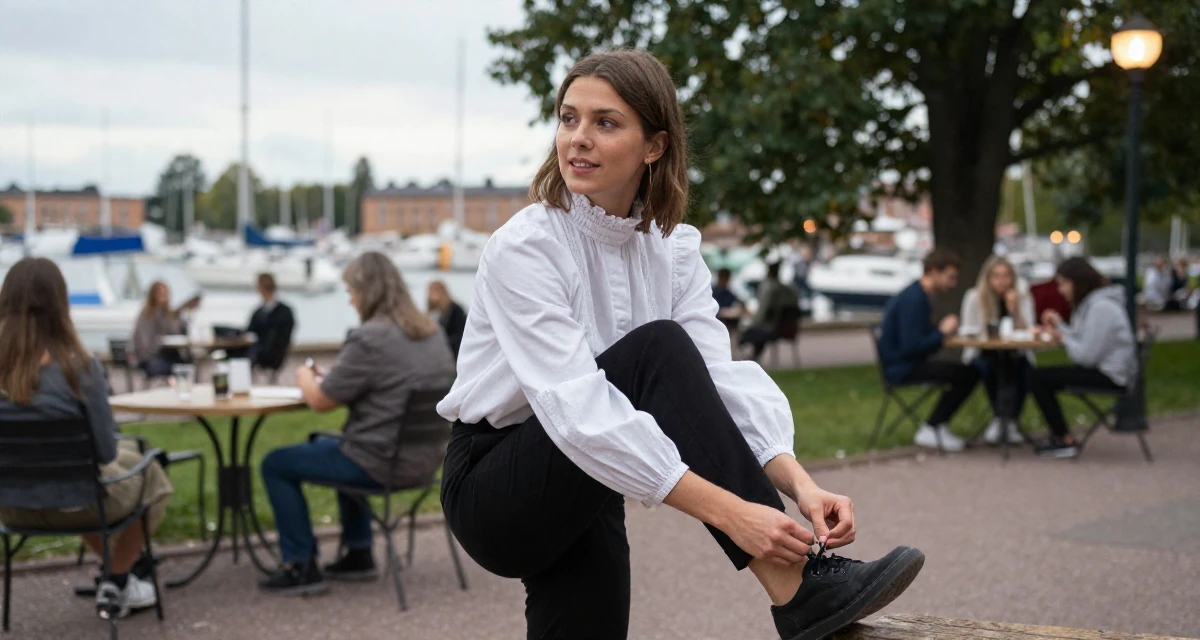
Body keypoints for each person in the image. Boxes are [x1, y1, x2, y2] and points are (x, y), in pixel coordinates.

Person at [437, 50, 923, 640]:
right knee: (656, 349)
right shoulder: (527, 247)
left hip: (591, 470)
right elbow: (578, 411)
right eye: (568, 118)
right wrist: (735, 516)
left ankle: (804, 590)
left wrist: (800, 484)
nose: (577, 138)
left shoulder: (672, 249)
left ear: (655, 146)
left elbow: (713, 386)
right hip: (496, 484)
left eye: (605, 122)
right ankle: (798, 588)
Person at [257, 251, 455, 596]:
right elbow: (388, 382)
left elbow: (320, 401)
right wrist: (336, 378)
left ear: (367, 291)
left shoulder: (370, 337)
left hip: (380, 461)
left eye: (351, 292)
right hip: (427, 459)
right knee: (331, 447)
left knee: (275, 464)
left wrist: (304, 375)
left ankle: (301, 565)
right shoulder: (432, 332)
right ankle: (358, 552)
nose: (349, 301)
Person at [0, 257, 172, 618]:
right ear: (60, 305)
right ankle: (119, 579)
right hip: (78, 503)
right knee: (151, 474)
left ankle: (122, 573)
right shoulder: (81, 369)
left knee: (77, 470)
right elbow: (105, 451)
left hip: (12, 507)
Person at [1031, 258, 1136, 458]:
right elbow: (1083, 340)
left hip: (1111, 375)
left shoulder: (1101, 308)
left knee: (1037, 378)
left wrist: (1062, 337)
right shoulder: (1094, 304)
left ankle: (1064, 439)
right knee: (1039, 376)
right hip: (1106, 369)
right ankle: (1061, 436)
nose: (1061, 290)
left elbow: (1085, 357)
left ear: (1077, 282)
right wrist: (1060, 326)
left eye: (1063, 284)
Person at [876, 248, 980, 452]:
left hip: (903, 364)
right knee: (968, 374)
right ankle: (933, 426)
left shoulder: (918, 295)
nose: (953, 284)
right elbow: (911, 347)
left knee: (966, 371)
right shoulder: (915, 299)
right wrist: (941, 333)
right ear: (933, 271)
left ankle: (936, 426)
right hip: (902, 368)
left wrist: (938, 334)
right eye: (950, 277)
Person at [959, 255, 1035, 444]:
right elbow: (967, 330)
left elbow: (1029, 331)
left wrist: (1014, 310)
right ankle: (1000, 418)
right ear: (987, 278)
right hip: (983, 352)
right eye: (996, 276)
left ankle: (1009, 420)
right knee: (990, 368)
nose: (1002, 281)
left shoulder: (1022, 296)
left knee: (1023, 368)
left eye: (1006, 276)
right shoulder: (975, 297)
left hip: (1015, 352)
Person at [132, 281, 198, 377]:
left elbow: (177, 333)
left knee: (189, 362)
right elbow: (144, 344)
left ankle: (186, 383)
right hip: (150, 357)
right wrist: (159, 342)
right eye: (160, 294)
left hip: (167, 354)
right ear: (153, 296)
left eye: (165, 294)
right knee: (179, 366)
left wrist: (182, 314)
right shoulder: (146, 315)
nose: (163, 297)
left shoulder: (169, 314)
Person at [739, 262, 801, 362]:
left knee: (750, 333)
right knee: (758, 333)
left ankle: (750, 359)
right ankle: (754, 358)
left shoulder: (769, 289)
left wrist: (752, 323)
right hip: (789, 329)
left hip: (773, 329)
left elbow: (762, 313)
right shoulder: (790, 289)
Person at [247, 273, 296, 379]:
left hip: (267, 355)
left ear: (260, 288)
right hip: (270, 354)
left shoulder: (278, 313)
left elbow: (250, 332)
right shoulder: (284, 311)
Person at [427, 280, 467, 360]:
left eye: (436, 291)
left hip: (453, 352)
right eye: (431, 292)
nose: (433, 295)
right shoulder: (431, 312)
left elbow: (460, 334)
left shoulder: (455, 310)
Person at [711, 267, 743, 334]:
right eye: (723, 277)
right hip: (715, 322)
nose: (724, 280)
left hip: (726, 323)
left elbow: (737, 306)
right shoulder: (712, 291)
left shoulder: (729, 293)